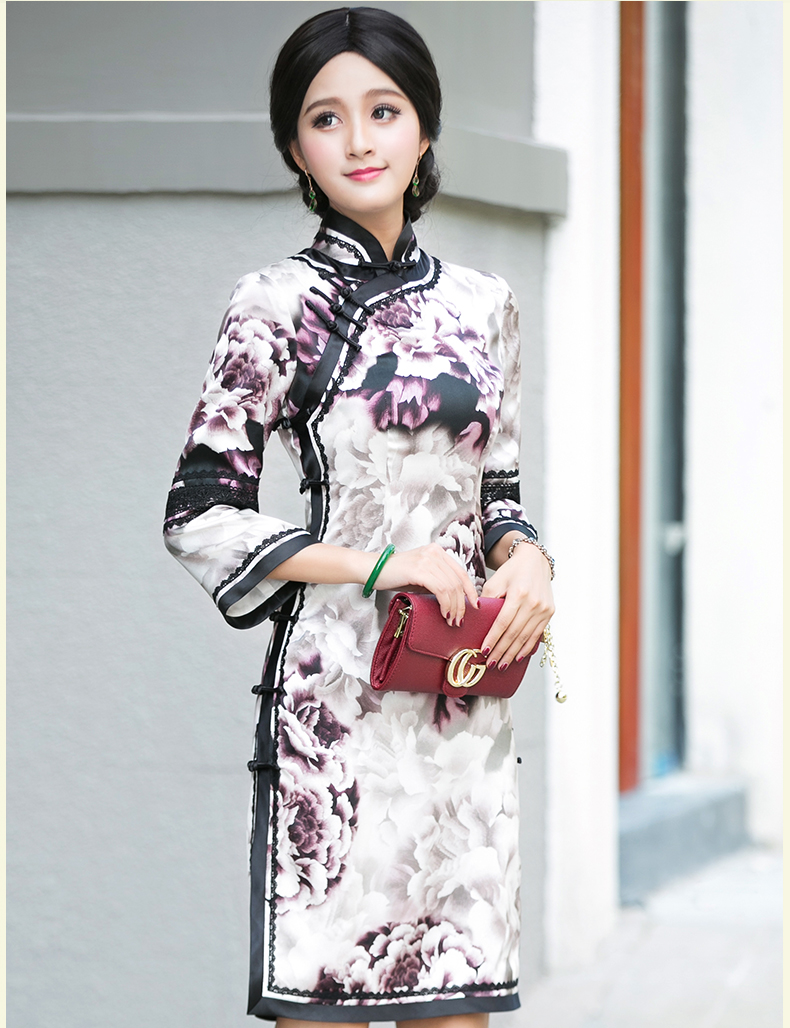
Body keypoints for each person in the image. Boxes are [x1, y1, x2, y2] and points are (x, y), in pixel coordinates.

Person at [164, 7, 554, 1026]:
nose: (359, 140)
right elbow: (199, 511)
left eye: (383, 110)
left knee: (459, 1005)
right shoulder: (274, 305)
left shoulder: (486, 304)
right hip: (336, 709)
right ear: (295, 148)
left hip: (459, 706)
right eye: (325, 118)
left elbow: (497, 494)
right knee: (324, 1008)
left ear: (424, 127)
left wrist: (528, 558)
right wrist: (379, 564)